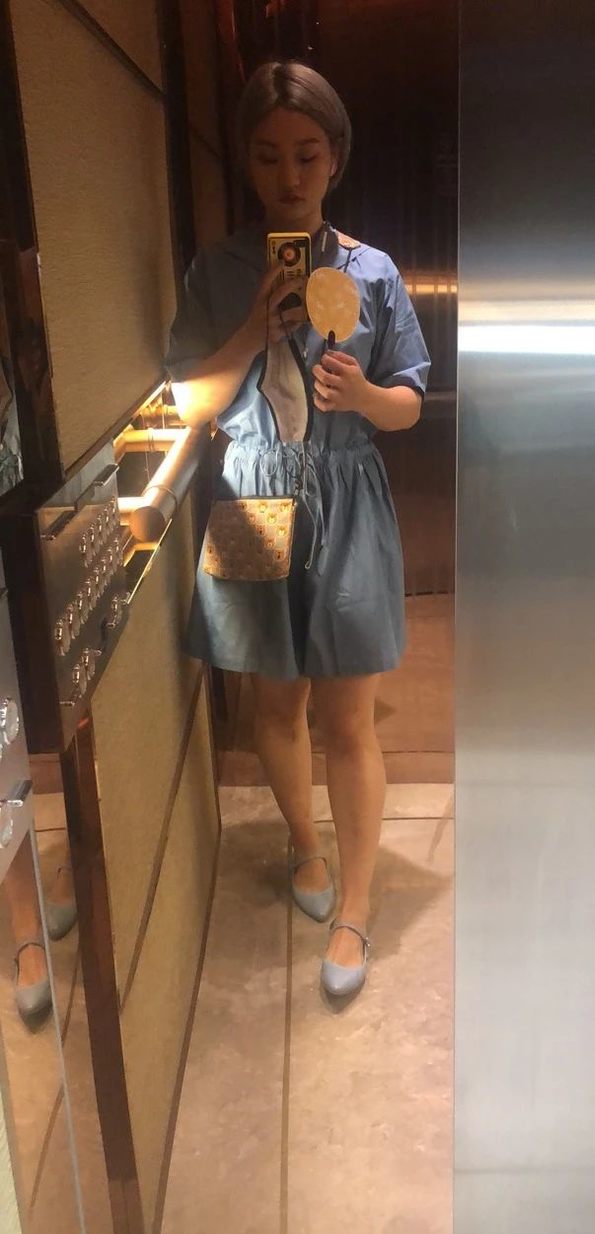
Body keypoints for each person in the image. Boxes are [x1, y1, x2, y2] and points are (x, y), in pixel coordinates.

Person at [165, 60, 430, 999]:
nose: (289, 175)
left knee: (348, 715)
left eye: (308, 154)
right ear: (247, 161)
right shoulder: (217, 270)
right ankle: (306, 846)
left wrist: (365, 396)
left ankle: (356, 903)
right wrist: (250, 329)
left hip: (349, 495)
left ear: (336, 158)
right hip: (248, 492)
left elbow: (410, 402)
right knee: (274, 704)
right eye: (270, 155)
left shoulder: (374, 272)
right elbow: (190, 402)